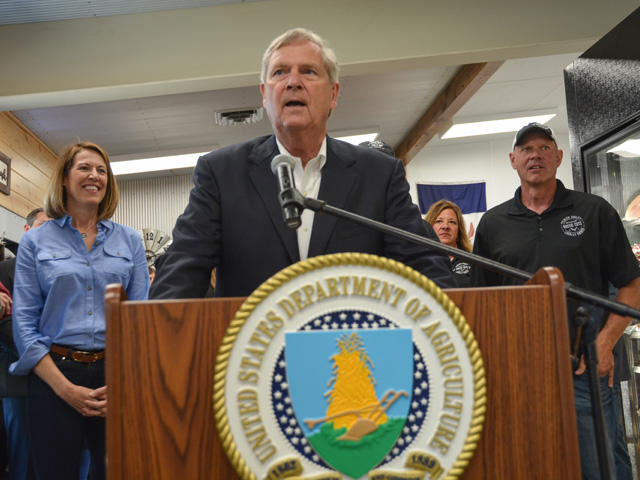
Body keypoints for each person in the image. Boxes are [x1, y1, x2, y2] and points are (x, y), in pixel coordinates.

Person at [150, 28, 455, 299]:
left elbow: (425, 266)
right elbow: (182, 270)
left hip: (350, 354)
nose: (293, 82)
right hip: (253, 357)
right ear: (265, 95)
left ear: (333, 94)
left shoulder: (378, 174)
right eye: (280, 72)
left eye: (308, 72)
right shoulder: (220, 173)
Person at [471, 122, 640, 479]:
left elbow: (631, 285)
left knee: (598, 465)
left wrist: (605, 343)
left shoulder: (594, 211)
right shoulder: (492, 223)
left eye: (545, 148)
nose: (536, 156)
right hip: (520, 371)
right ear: (513, 160)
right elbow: (482, 301)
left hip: (584, 367)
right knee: (534, 463)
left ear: (559, 157)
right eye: (527, 150)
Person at [10, 142, 150, 480]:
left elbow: (141, 320)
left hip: (114, 378)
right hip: (53, 378)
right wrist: (64, 389)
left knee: (116, 473)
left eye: (102, 170)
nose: (95, 176)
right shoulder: (35, 242)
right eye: (84, 168)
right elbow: (24, 324)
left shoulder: (129, 241)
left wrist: (121, 380)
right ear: (64, 179)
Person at [0, 208, 51, 480]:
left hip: (58, 379)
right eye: (42, 225)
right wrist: (45, 354)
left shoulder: (55, 273)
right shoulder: (5, 270)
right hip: (19, 378)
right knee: (22, 457)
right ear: (27, 230)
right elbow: (5, 325)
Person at [424, 200, 472, 287]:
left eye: (452, 222)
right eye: (439, 221)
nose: (445, 226)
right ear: (429, 226)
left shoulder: (474, 261)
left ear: (459, 230)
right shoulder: (420, 262)